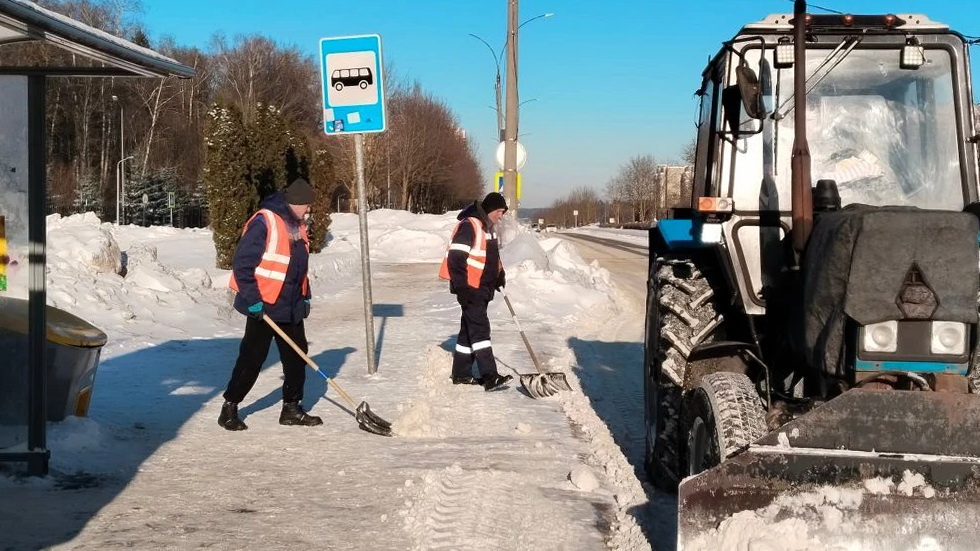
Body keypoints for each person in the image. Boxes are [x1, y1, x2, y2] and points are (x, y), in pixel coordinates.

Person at [218, 178, 322, 430]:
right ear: (293, 203)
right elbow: (242, 266)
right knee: (252, 358)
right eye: (306, 206)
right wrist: (253, 301)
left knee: (297, 356)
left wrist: (305, 295)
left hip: (291, 305)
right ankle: (230, 407)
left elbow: (297, 267)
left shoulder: (296, 224)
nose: (309, 211)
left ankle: (292, 408)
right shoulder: (264, 222)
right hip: (264, 305)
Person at [439, 191, 514, 392]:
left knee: (467, 332)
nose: (501, 216)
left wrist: (499, 274)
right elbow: (455, 259)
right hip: (470, 289)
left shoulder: (489, 228)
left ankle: (461, 374)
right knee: (480, 329)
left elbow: (492, 256)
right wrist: (462, 288)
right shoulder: (469, 225)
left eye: (503, 212)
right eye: (499, 211)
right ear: (489, 209)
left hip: (484, 288)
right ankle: (490, 375)